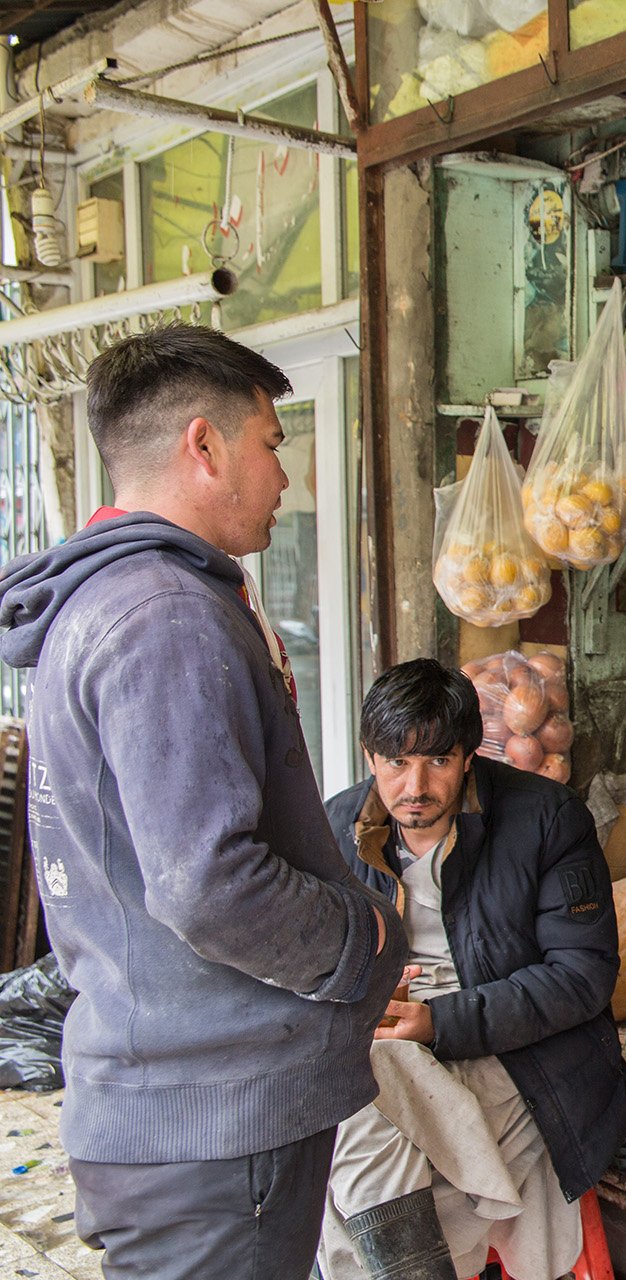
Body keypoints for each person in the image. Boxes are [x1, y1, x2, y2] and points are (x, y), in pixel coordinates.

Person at [0, 325, 404, 1280]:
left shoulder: (113, 600)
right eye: (272, 443)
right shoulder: (164, 615)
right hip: (209, 1118)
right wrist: (364, 942)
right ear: (204, 445)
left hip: (168, 1100)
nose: (285, 477)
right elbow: (207, 883)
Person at [318, 659, 626, 1280]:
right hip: (383, 1036)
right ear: (368, 755)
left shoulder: (547, 817)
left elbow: (581, 975)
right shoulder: (339, 827)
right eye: (395, 762)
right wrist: (364, 991)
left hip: (517, 1043)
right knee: (337, 1121)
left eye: (437, 761)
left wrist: (439, 1022)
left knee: (384, 1171)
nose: (415, 785)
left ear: (468, 756)